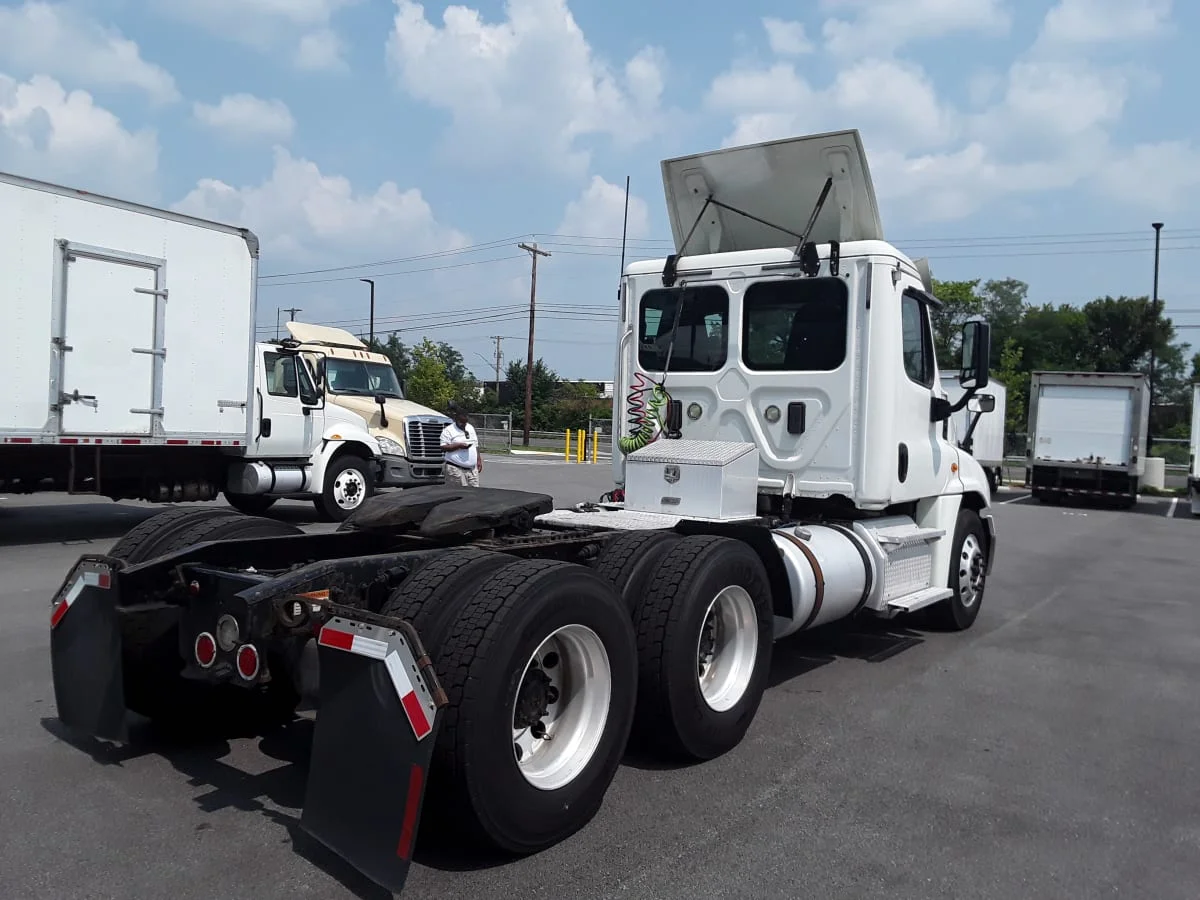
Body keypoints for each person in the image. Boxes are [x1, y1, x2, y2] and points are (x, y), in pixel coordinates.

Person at [440, 404, 483, 487]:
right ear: (455, 419)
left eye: (465, 422)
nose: (463, 424)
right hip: (455, 469)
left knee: (475, 494)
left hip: (472, 469)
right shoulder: (448, 430)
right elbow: (443, 447)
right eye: (461, 422)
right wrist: (458, 446)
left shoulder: (470, 428)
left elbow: (475, 445)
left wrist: (478, 460)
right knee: (459, 493)